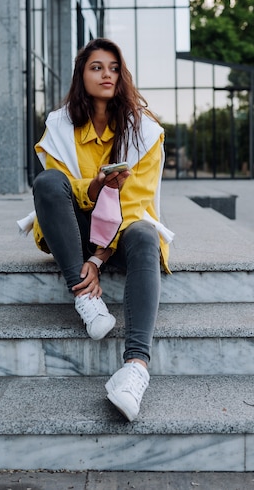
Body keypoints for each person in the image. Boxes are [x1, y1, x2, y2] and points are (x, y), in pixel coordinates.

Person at [31, 38, 173, 421]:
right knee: (46, 184)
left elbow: (136, 204)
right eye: (96, 67)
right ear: (82, 75)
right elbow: (56, 190)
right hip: (72, 228)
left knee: (145, 234)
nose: (106, 74)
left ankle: (135, 369)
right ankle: (84, 297)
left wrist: (98, 257)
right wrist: (93, 187)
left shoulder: (146, 131)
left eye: (113, 67)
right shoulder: (59, 126)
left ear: (121, 76)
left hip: (120, 232)